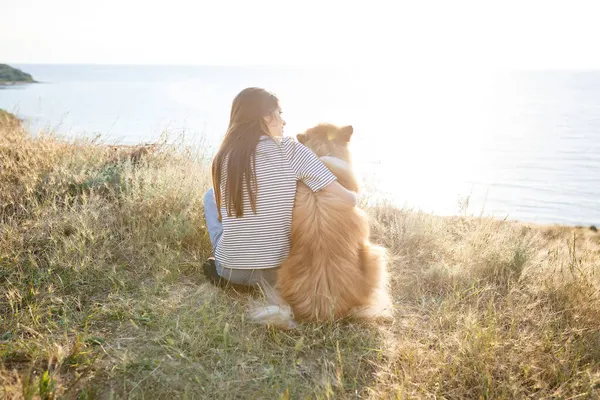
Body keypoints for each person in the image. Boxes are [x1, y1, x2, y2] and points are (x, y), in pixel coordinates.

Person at [203, 87, 357, 287]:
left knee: (210, 196)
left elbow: (224, 214)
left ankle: (232, 266)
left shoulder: (224, 156)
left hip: (229, 271)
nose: (284, 122)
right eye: (280, 114)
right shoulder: (292, 149)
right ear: (266, 117)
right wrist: (354, 193)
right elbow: (348, 200)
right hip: (278, 275)